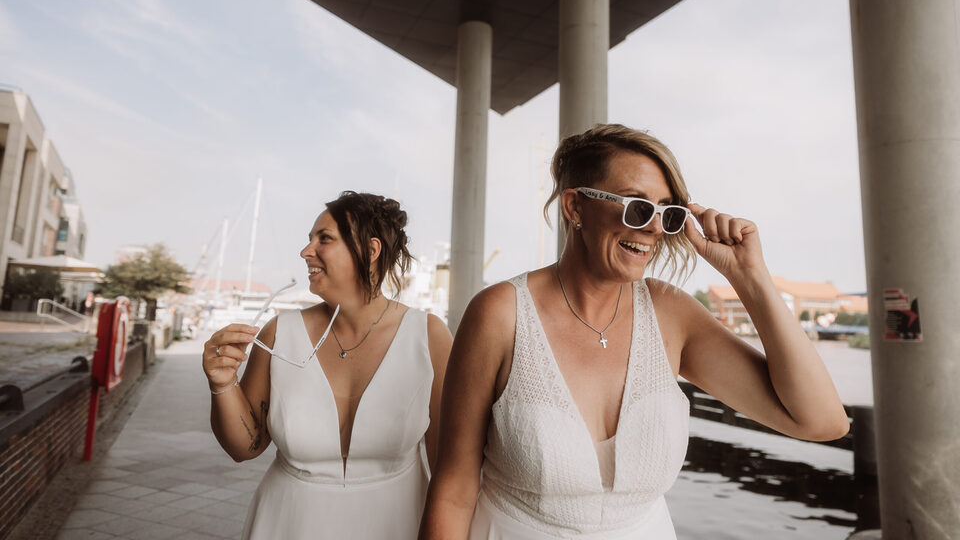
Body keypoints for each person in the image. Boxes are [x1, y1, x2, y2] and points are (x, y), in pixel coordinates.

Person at [420, 124, 849, 539]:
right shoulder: (500, 315)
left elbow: (822, 422)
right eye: (637, 206)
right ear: (575, 207)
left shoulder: (671, 315)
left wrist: (751, 279)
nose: (655, 227)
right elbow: (454, 492)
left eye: (667, 212)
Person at [202, 191, 452, 540]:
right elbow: (246, 447)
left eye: (324, 239)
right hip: (289, 524)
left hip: (400, 523)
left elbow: (449, 467)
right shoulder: (279, 334)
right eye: (309, 240)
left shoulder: (429, 336)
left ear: (371, 250)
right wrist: (222, 382)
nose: (306, 251)